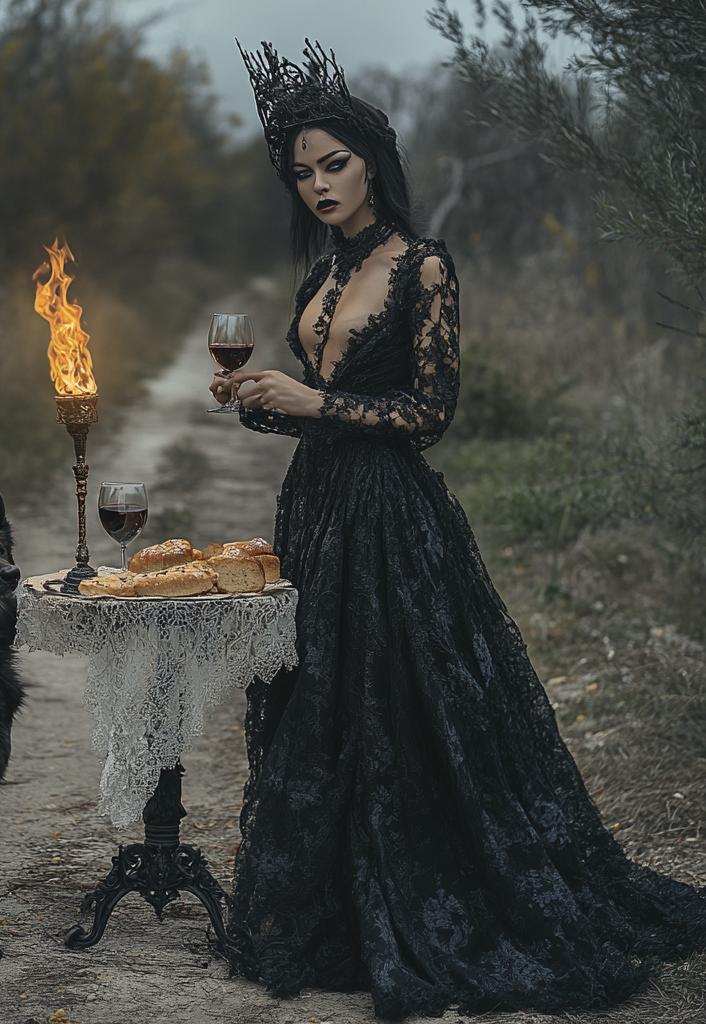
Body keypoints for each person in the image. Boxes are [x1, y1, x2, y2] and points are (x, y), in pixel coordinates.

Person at [208, 40, 706, 1020]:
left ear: (371, 161)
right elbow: (319, 402)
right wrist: (256, 398)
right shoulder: (324, 268)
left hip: (393, 522)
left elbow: (428, 415)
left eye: (332, 163)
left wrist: (310, 402)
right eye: (301, 171)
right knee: (322, 700)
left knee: (410, 707)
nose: (317, 184)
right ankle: (336, 906)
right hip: (315, 510)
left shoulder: (424, 267)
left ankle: (440, 895)